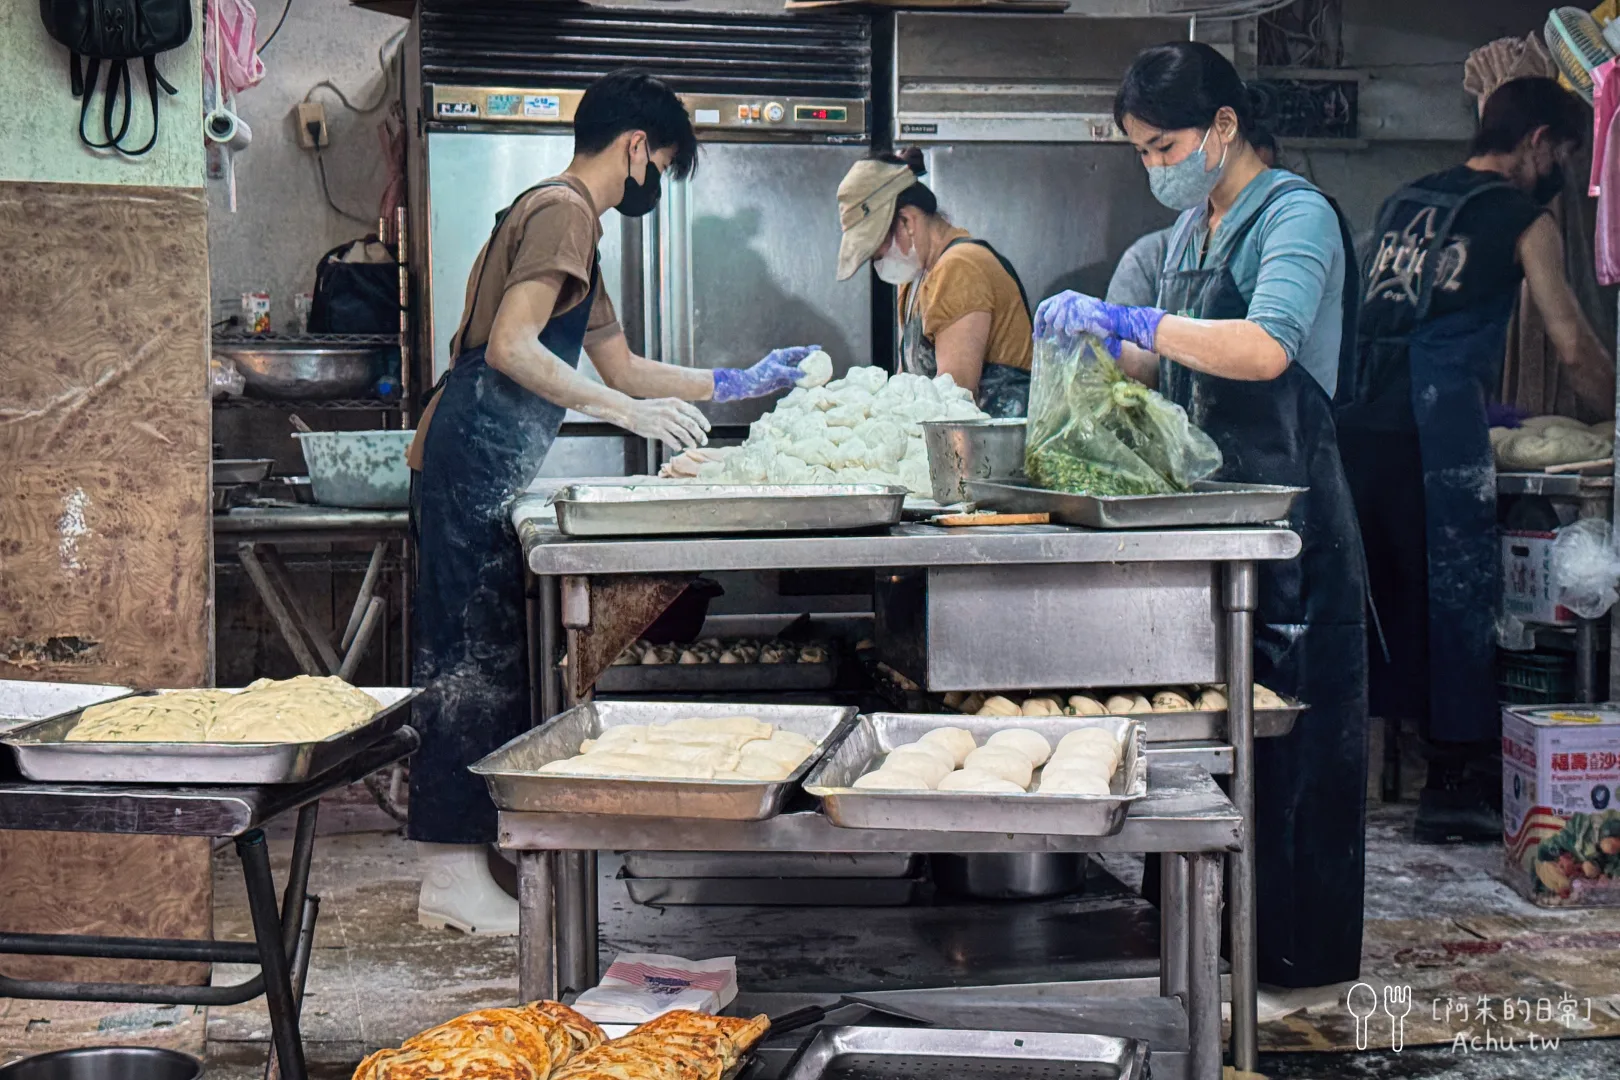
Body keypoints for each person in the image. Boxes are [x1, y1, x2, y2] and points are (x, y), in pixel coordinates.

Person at [406, 69, 817, 934]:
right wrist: (622, 413)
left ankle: (472, 865)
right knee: (467, 660)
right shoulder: (563, 211)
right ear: (635, 147)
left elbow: (622, 365)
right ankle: (447, 877)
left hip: (485, 457)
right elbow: (518, 350)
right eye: (661, 165)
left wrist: (737, 382)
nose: (654, 183)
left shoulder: (574, 227)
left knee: (490, 655)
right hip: (470, 450)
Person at [1034, 41, 1368, 989]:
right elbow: (1173, 365)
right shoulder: (1191, 234)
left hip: (1290, 516)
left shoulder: (1294, 215)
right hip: (1211, 514)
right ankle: (1203, 945)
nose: (1154, 166)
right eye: (1139, 151)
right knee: (1204, 737)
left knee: (1289, 751)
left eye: (1164, 145)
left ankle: (1291, 960)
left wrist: (1137, 325)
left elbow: (1263, 351)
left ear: (1223, 128)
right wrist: (1098, 346)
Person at [1338, 77, 1616, 844]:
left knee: (1382, 597)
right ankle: (1456, 785)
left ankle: (1357, 778)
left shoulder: (1404, 200)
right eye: (1565, 151)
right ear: (1538, 143)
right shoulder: (1525, 219)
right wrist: (1613, 404)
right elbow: (1570, 343)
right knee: (1455, 595)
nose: (1563, 168)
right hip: (1436, 427)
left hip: (1362, 421)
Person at [836, 149, 1034, 416]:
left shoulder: (960, 268)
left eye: (877, 250)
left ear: (906, 221)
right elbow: (905, 387)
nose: (878, 261)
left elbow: (954, 403)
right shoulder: (916, 280)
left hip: (993, 451)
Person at [1106, 130, 1279, 308]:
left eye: (1260, 182)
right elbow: (1115, 330)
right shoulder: (1149, 257)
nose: (1248, 195)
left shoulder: (1278, 250)